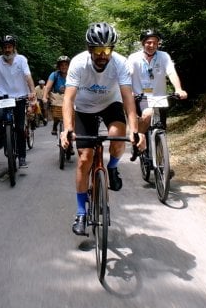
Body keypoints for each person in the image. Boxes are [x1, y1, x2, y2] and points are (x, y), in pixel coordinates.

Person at [60, 22, 144, 236]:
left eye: (107, 50)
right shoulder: (78, 63)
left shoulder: (121, 63)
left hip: (110, 104)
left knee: (117, 137)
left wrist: (135, 130)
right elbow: (68, 99)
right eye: (97, 50)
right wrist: (67, 129)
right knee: (84, 159)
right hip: (84, 108)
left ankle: (113, 167)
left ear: (112, 50)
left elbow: (128, 99)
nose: (102, 55)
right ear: (90, 50)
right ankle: (81, 212)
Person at [127, 29, 187, 178]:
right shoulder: (134, 58)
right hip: (141, 97)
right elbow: (127, 75)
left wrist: (178, 89)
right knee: (147, 114)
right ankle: (138, 141)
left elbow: (171, 72)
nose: (151, 45)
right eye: (148, 42)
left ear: (158, 43)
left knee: (161, 129)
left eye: (154, 42)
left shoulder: (164, 56)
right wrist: (129, 91)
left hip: (160, 97)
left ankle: (162, 162)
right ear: (143, 43)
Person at [0, 35, 37, 168]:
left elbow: (28, 76)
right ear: (2, 49)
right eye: (5, 47)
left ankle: (22, 157)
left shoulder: (21, 60)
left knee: (20, 129)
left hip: (20, 98)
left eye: (9, 47)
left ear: (14, 47)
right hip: (3, 98)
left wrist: (32, 92)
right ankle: (0, 136)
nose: (7, 50)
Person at [42, 55, 70, 136]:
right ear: (58, 66)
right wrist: (44, 97)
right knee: (57, 113)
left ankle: (70, 141)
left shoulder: (72, 74)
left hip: (70, 97)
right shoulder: (54, 75)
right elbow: (47, 87)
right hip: (58, 98)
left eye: (66, 65)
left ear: (69, 66)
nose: (64, 67)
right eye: (62, 65)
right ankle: (55, 125)